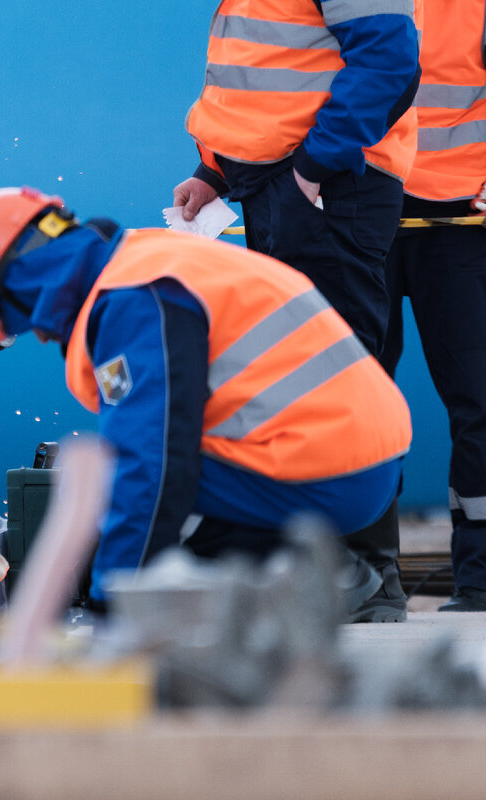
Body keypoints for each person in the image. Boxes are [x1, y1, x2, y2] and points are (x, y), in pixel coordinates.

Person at [0, 187, 412, 617]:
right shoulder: (141, 261)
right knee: (136, 483)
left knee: (123, 479)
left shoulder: (134, 299)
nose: (41, 335)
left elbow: (152, 459)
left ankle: (301, 575)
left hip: (329, 476)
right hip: (358, 461)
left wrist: (114, 601)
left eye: (17, 319)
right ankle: (298, 570)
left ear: (19, 284)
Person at [171, 0, 422, 622]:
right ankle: (324, 575)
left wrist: (316, 163)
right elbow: (267, 78)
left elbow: (390, 58)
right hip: (284, 187)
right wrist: (216, 171)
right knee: (295, 386)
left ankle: (370, 577)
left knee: (342, 379)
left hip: (327, 187)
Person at [379, 1, 486, 612]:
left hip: (462, 224)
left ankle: (480, 581)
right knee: (358, 401)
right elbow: (285, 83)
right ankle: (369, 578)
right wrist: (213, 172)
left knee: (477, 401)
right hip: (365, 215)